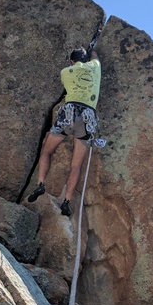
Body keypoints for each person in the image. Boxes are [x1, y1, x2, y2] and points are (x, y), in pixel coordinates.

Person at [28, 47, 101, 216]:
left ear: (71, 62)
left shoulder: (66, 72)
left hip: (69, 112)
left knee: (47, 151)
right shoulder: (95, 67)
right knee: (76, 165)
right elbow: (95, 56)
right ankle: (66, 202)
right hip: (87, 116)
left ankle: (40, 184)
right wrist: (93, 50)